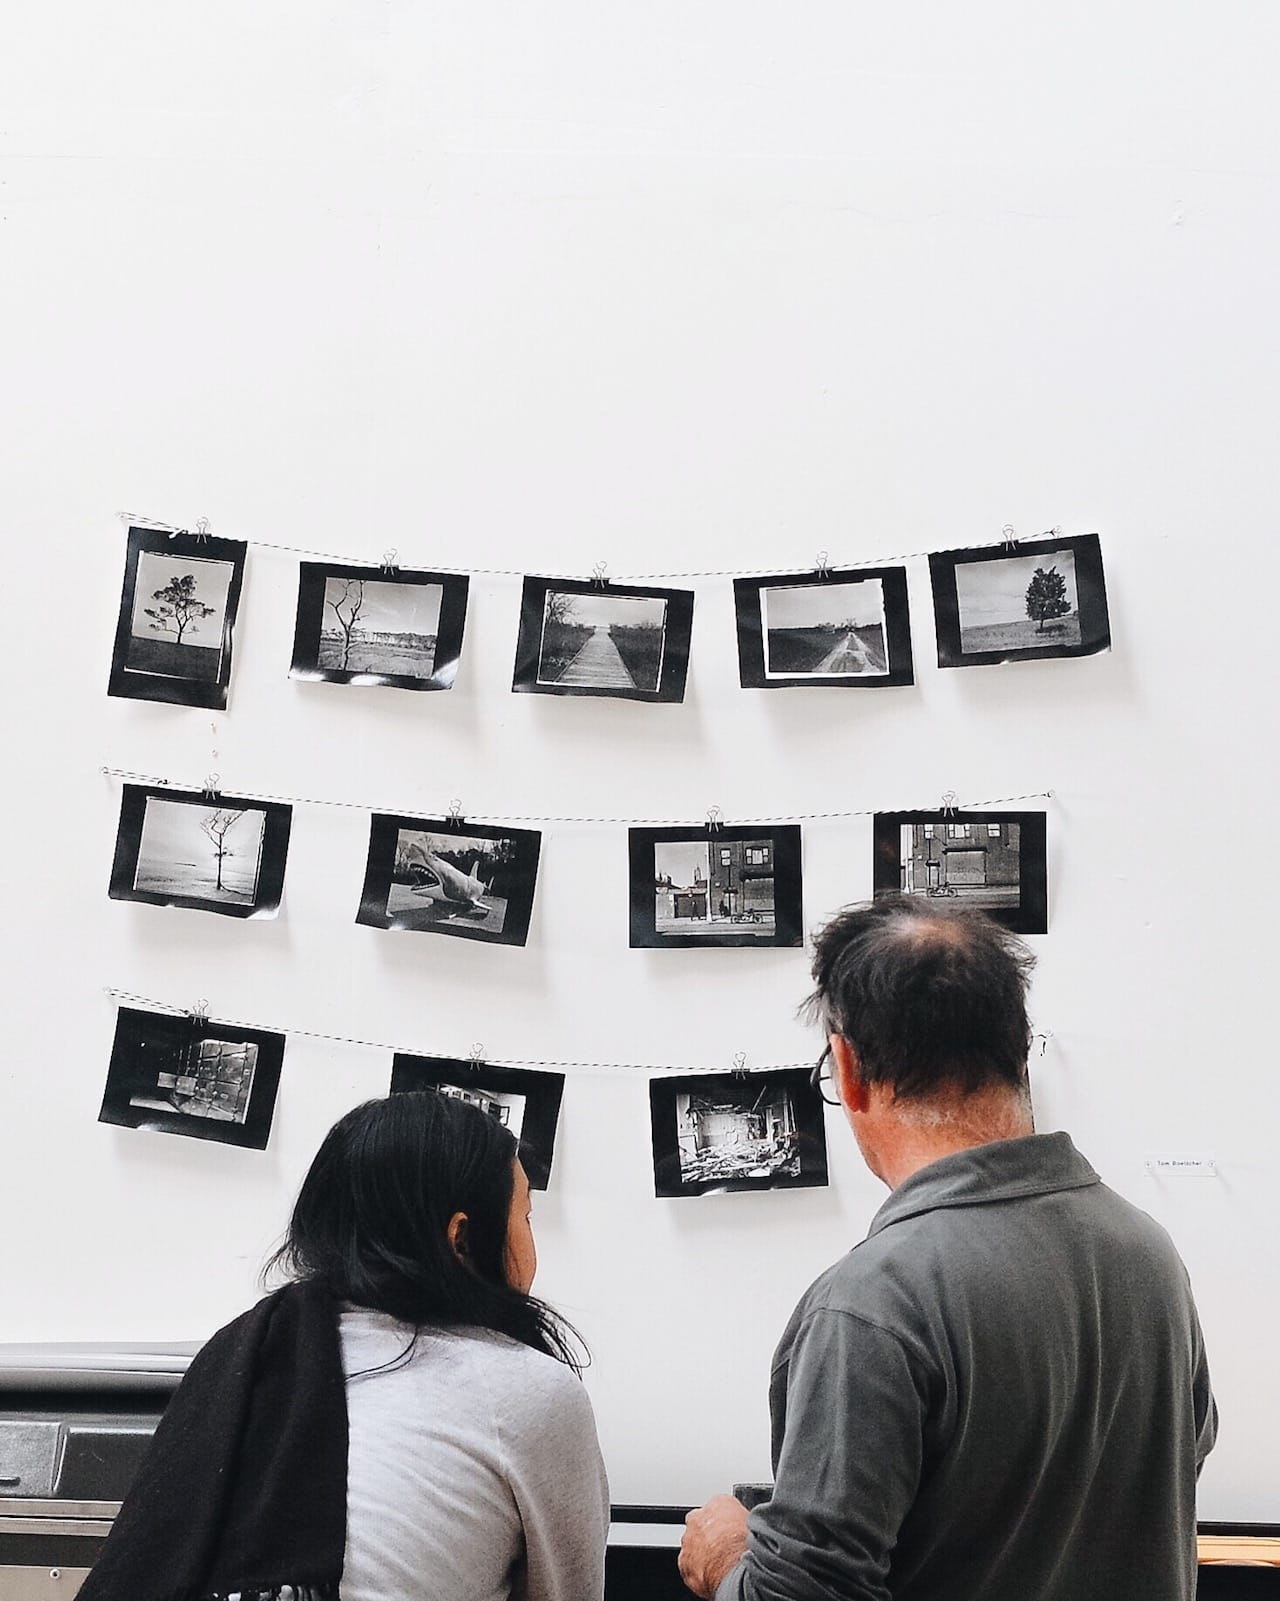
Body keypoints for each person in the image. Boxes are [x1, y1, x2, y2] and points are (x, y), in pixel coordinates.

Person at [679, 896, 1217, 1601]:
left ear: (848, 1067)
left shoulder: (874, 1302)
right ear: (1018, 1049)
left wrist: (727, 1558)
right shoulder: (1148, 1253)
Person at [78, 1091, 609, 1601]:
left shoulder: (239, 1351)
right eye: (526, 1217)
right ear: (462, 1239)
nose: (530, 1239)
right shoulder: (529, 1391)